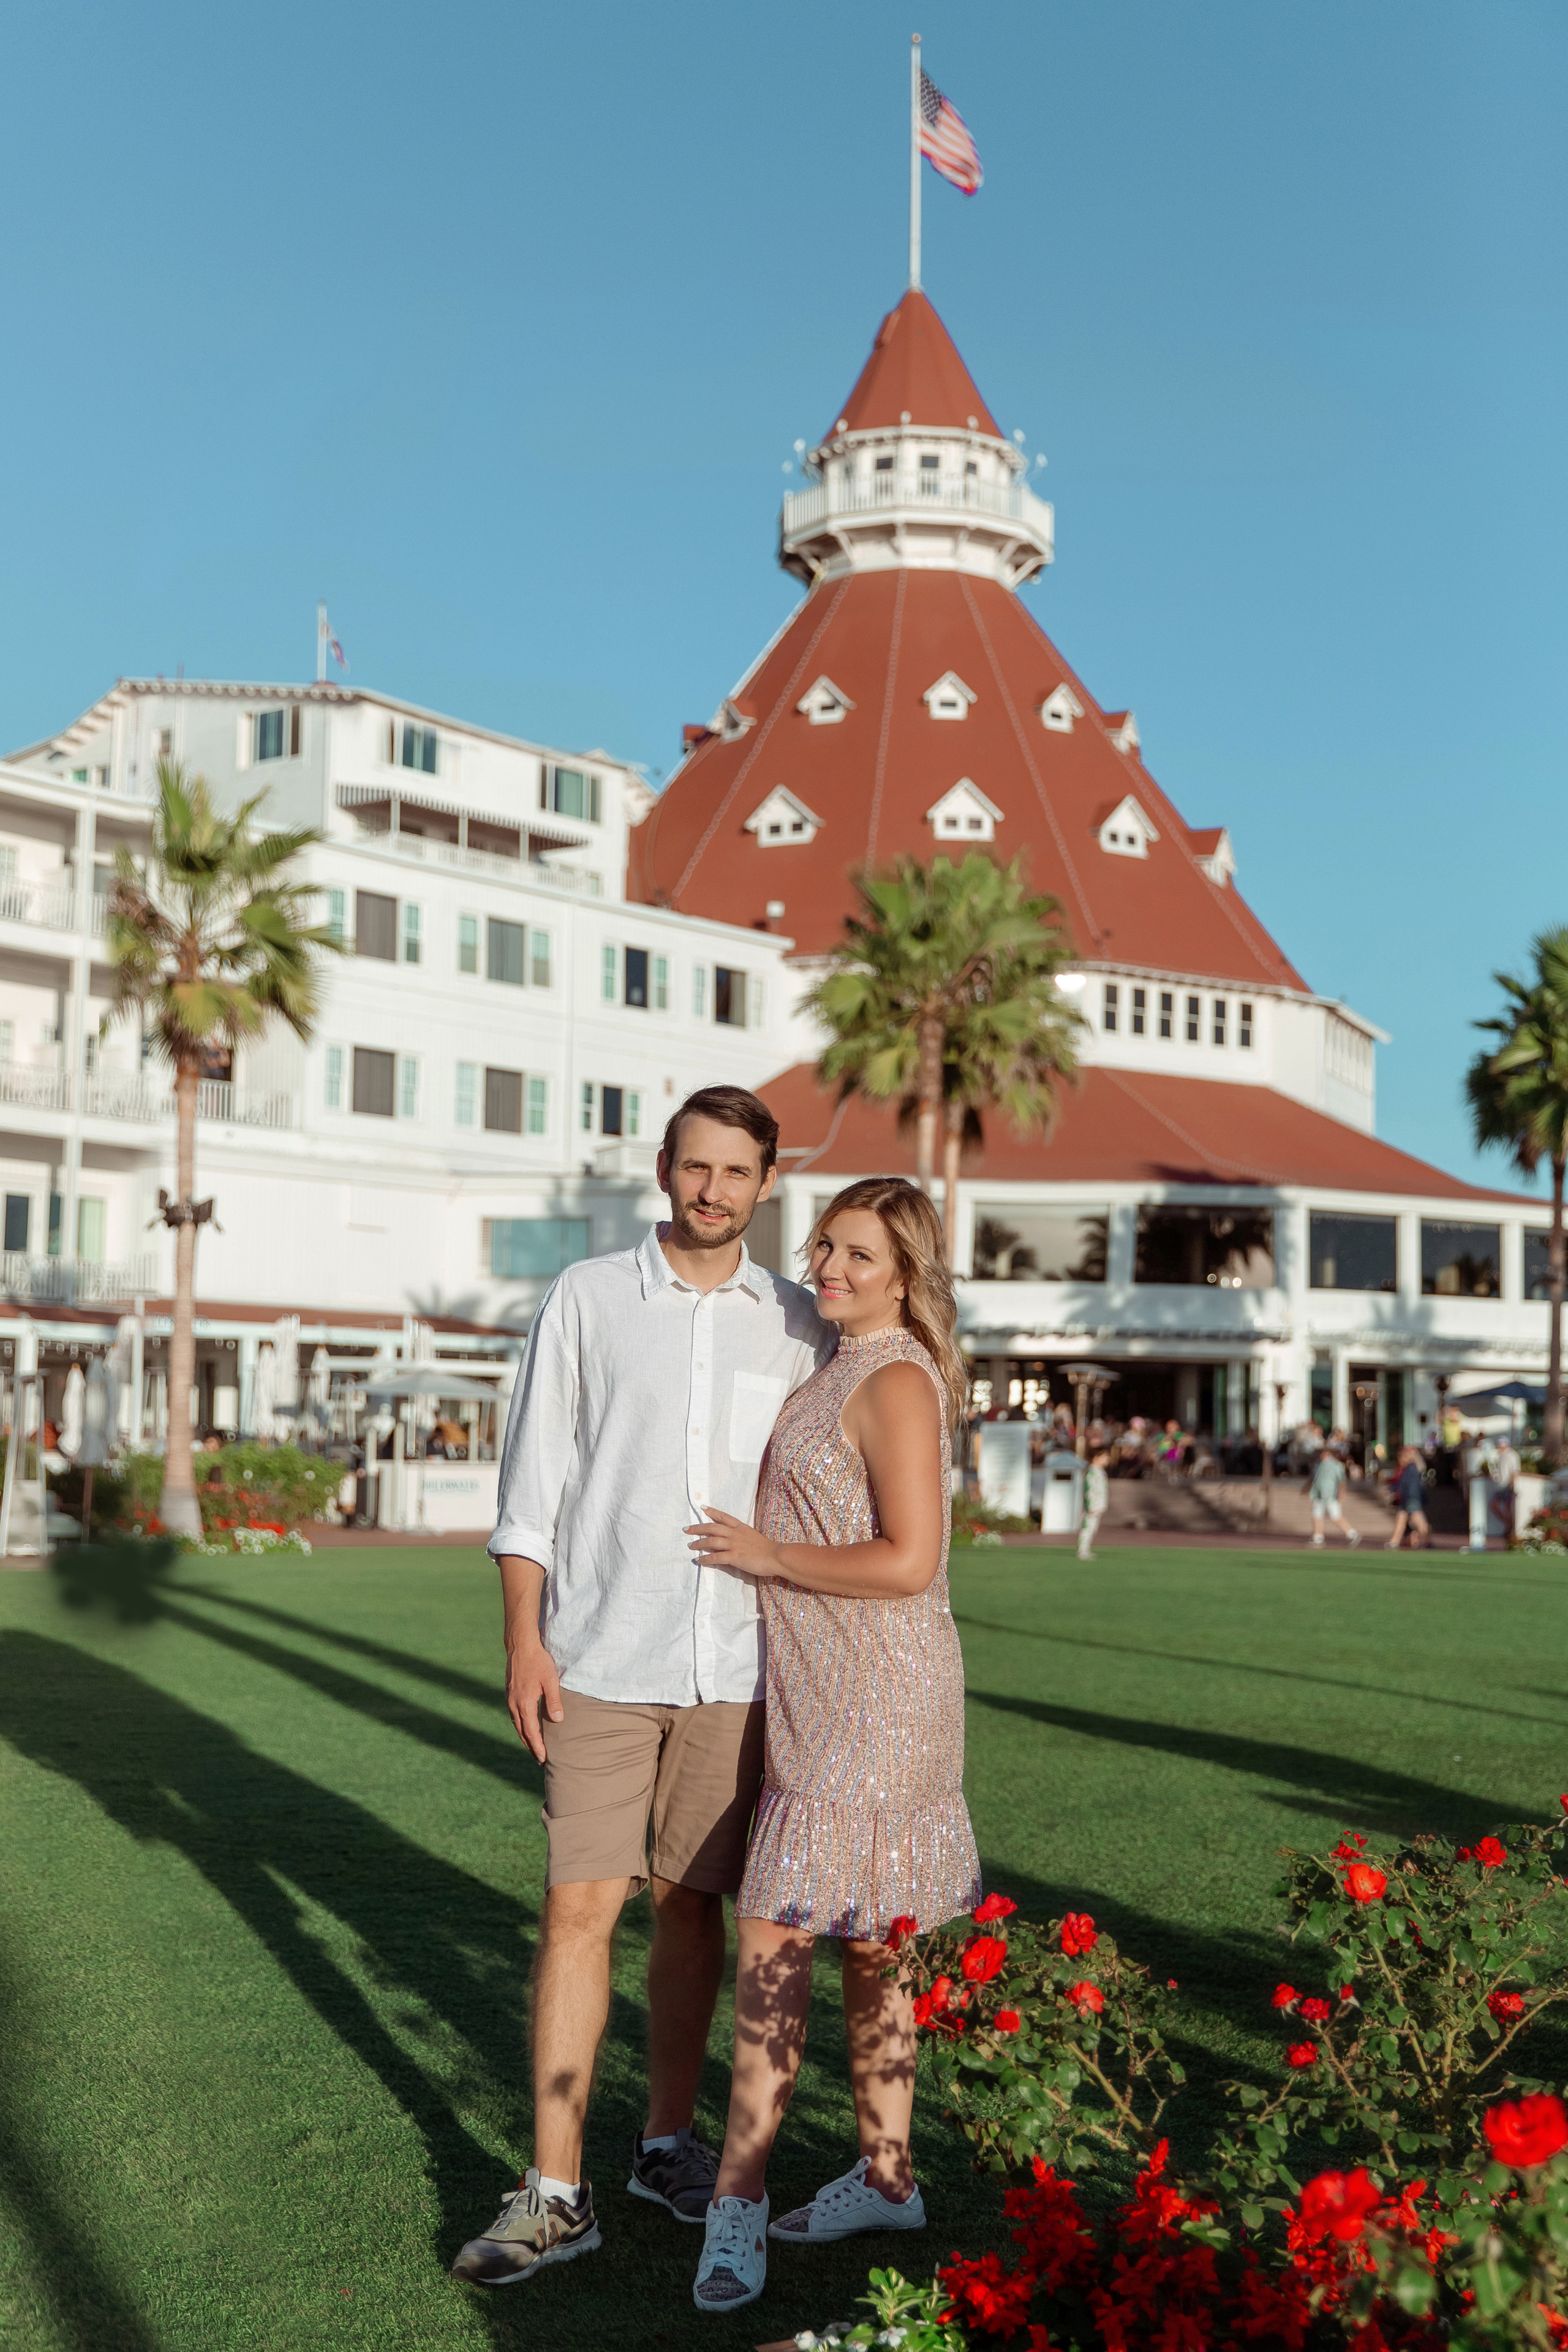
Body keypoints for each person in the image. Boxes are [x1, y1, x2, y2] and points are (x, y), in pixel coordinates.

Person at [450, 1085, 832, 2290]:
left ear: (767, 1185)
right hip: (600, 1657)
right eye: (694, 1167)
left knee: (688, 1906)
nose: (712, 1190)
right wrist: (525, 1641)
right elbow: (531, 1486)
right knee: (577, 1909)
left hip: (740, 1666)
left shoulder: (802, 1324)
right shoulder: (586, 1298)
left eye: (736, 1172)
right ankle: (554, 2192)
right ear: (662, 1170)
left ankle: (663, 2150)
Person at [682, 1177, 979, 2315]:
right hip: (822, 1686)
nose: (830, 1267)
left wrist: (767, 1556)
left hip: (879, 1693)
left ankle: (737, 2206)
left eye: (858, 1252)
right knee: (872, 1944)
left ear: (905, 1272)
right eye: (824, 1246)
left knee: (782, 1937)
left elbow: (908, 1560)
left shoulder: (896, 1376)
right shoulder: (839, 1362)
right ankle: (887, 2178)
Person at [1308, 1446, 1360, 1548]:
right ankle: (1318, 1538)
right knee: (1317, 1515)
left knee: (1336, 1516)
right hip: (1318, 1495)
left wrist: (1342, 1494)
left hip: (1330, 1496)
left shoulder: (1336, 1465)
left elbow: (1342, 1481)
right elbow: (1314, 1480)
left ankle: (1352, 1534)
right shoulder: (1319, 1465)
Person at [1387, 1445, 1431, 1551]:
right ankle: (1394, 1541)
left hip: (1412, 1498)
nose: (1401, 1459)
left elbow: (1410, 1486)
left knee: (1419, 1520)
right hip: (1406, 1498)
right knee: (1401, 1519)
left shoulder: (1412, 1468)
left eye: (1403, 1456)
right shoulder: (1406, 1469)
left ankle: (1427, 1540)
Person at [1079, 1447, 1110, 1559]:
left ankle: (1087, 1549)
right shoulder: (1092, 1472)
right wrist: (1091, 1505)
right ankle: (1082, 1550)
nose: (1108, 1459)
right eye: (1105, 1457)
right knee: (1088, 1526)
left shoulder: (1100, 1472)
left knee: (1093, 1528)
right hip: (1092, 1505)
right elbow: (1090, 1489)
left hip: (1098, 1504)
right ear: (1096, 1458)